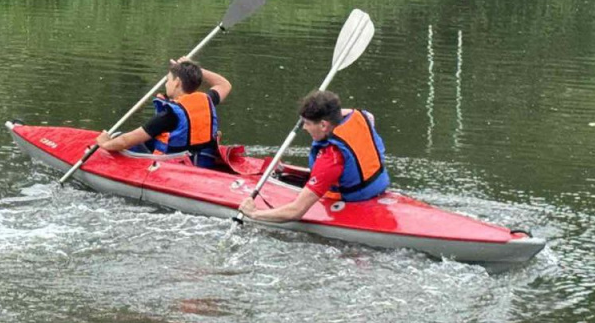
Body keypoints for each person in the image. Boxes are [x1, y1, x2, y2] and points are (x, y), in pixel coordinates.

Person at [239, 89, 389, 221]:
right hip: (377, 189)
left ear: (324, 125)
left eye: (307, 123)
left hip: (353, 202)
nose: (304, 127)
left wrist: (254, 214)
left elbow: (295, 212)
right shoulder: (361, 116)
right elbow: (354, 114)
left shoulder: (331, 159)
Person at [94, 57, 231, 169]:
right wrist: (195, 70)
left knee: (121, 138)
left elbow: (125, 141)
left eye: (168, 80)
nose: (166, 84)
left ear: (177, 82)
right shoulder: (208, 100)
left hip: (180, 168)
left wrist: (105, 144)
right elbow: (224, 84)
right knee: (149, 141)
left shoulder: (170, 114)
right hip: (206, 162)